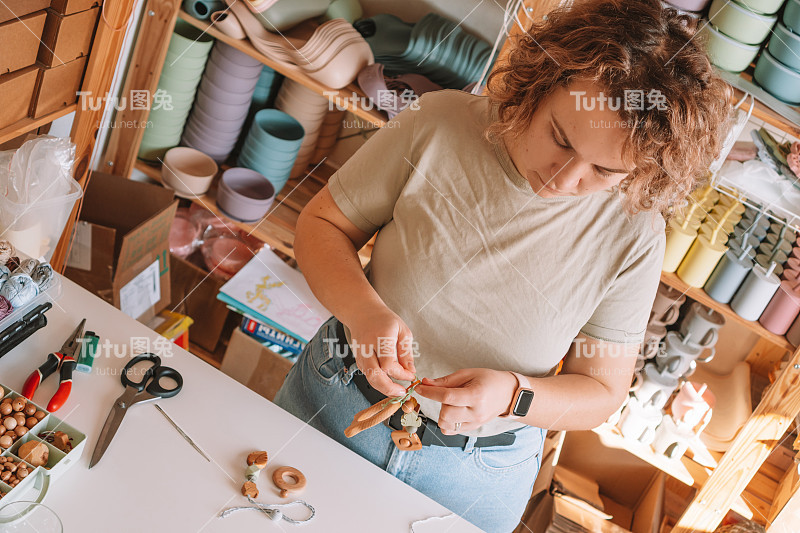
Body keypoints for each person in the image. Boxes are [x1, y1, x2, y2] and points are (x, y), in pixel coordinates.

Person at [274, 1, 733, 531]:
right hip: (335, 399)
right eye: (560, 138)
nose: (563, 180)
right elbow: (322, 226)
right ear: (540, 84)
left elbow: (601, 393)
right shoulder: (440, 122)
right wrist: (363, 313)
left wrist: (517, 396)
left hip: (475, 473)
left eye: (604, 171)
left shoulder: (635, 231)